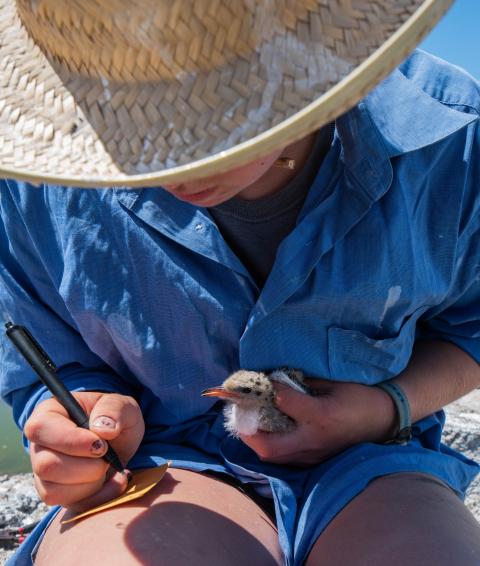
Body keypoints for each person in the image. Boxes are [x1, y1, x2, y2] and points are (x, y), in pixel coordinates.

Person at [0, 1, 480, 565]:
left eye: (206, 120)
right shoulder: (35, 180)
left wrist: (386, 408)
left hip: (372, 455)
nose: (165, 166)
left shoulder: (454, 138)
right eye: (122, 121)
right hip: (160, 458)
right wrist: (80, 415)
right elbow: (47, 358)